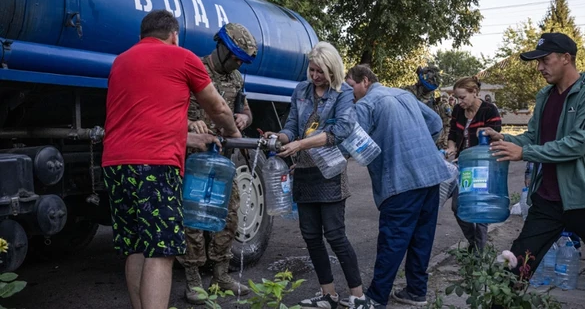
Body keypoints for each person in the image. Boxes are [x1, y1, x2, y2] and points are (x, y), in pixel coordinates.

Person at [482, 32, 585, 309]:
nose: (540, 67)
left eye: (545, 59)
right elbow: (533, 138)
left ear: (566, 58)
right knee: (518, 260)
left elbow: (577, 144)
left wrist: (525, 153)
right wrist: (504, 138)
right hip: (548, 199)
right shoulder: (545, 95)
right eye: (538, 61)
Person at [102, 10, 241, 309]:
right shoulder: (183, 57)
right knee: (160, 251)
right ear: (174, 35)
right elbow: (217, 108)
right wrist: (234, 133)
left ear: (143, 35)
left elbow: (139, 120)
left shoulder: (121, 61)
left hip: (115, 164)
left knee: (136, 247)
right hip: (155, 166)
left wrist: (187, 137)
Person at [264, 42, 365, 309]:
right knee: (310, 235)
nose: (315, 76)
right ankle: (328, 294)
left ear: (332, 70)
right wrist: (280, 137)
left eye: (320, 71)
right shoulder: (301, 90)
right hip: (306, 172)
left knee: (335, 235)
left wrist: (299, 144)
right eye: (312, 70)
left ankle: (358, 295)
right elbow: (292, 126)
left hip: (330, 171)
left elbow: (340, 131)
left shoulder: (343, 93)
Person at [346, 65, 450, 309]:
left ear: (364, 81)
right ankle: (416, 291)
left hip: (401, 181)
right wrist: (418, 143)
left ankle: (376, 298)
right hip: (431, 175)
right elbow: (435, 123)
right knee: (421, 238)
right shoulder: (403, 95)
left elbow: (348, 141)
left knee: (393, 239)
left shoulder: (365, 105)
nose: (351, 93)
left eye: (351, 86)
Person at [177, 22, 258, 303]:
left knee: (228, 214)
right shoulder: (193, 68)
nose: (237, 63)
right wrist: (190, 123)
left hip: (223, 160)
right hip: (193, 160)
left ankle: (221, 275)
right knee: (194, 218)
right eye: (235, 56)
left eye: (241, 60)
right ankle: (193, 279)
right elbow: (170, 111)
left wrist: (243, 119)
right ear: (221, 46)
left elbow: (244, 109)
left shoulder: (236, 78)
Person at [445, 76, 502, 252]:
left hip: (483, 166)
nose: (459, 101)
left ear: (474, 92)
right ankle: (473, 242)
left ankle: (479, 250)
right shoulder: (457, 111)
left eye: (463, 97)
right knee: (458, 206)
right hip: (461, 165)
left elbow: (496, 136)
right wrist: (451, 148)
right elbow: (453, 133)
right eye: (457, 98)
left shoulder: (489, 110)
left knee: (479, 208)